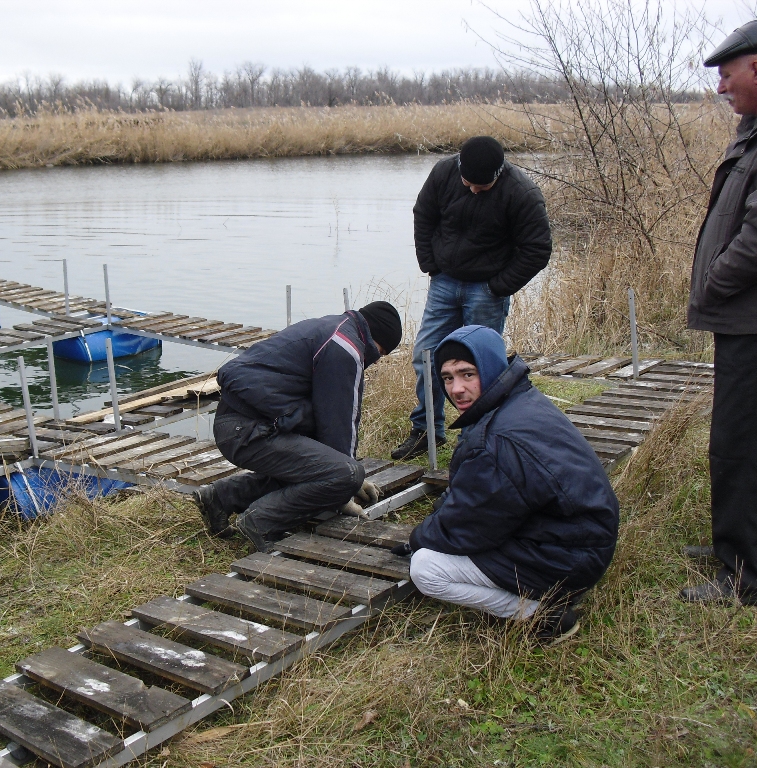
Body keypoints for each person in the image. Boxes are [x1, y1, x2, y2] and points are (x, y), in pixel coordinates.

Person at [393, 325, 619, 643]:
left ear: (489, 367)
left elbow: (466, 530)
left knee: (426, 568)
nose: (456, 388)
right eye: (447, 378)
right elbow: (482, 496)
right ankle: (548, 590)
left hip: (569, 559)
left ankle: (543, 615)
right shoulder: (521, 400)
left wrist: (419, 538)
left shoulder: (493, 440)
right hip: (581, 540)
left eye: (467, 374)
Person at [681, 19, 757, 605]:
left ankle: (745, 579)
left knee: (747, 448)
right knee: (732, 438)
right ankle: (732, 545)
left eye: (726, 77)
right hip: (749, 317)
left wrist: (713, 285)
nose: (722, 89)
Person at [193, 301, 403, 553]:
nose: (378, 360)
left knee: (319, 471)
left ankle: (222, 497)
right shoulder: (345, 348)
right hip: (247, 429)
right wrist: (347, 484)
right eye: (381, 352)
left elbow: (329, 417)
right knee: (341, 475)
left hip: (238, 423)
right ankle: (260, 522)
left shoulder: (334, 330)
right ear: (376, 340)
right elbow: (340, 421)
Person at [393, 136, 552, 460]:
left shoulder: (522, 193)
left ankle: (474, 438)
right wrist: (430, 264)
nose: (475, 190)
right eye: (470, 183)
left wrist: (498, 286)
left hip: (486, 291)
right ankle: (425, 431)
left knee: (480, 368)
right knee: (425, 356)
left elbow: (537, 249)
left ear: (500, 173)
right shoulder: (444, 173)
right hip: (444, 283)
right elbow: (423, 215)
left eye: (484, 186)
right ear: (460, 169)